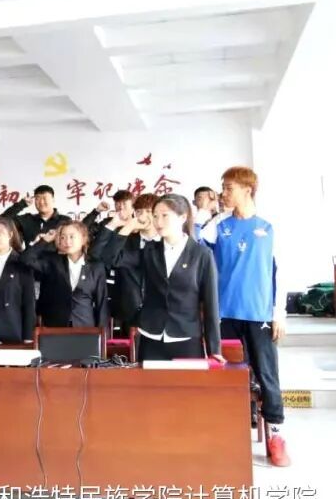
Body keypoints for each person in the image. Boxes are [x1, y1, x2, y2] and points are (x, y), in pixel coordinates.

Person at [201, 166, 290, 467]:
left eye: (229, 188)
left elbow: (282, 271)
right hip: (223, 314)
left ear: (247, 189)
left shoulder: (270, 225)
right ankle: (223, 431)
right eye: (223, 187)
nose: (223, 193)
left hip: (258, 313)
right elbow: (197, 250)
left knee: (267, 375)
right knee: (221, 374)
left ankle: (276, 436)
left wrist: (279, 313)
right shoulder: (218, 225)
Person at [100, 194, 223, 362]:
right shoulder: (150, 251)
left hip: (186, 337)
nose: (158, 222)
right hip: (151, 335)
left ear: (183, 217)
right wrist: (128, 226)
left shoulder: (201, 254)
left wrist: (214, 348)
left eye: (165, 216)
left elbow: (211, 303)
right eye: (155, 216)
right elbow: (110, 258)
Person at [91, 193, 160, 331]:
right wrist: (124, 227)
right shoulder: (124, 239)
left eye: (148, 211)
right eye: (139, 211)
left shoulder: (166, 241)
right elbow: (100, 256)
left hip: (161, 312)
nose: (143, 216)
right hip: (128, 311)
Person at [20, 221, 108, 329]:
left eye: (72, 237)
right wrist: (44, 241)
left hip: (85, 326)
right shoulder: (52, 261)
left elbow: (102, 303)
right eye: (63, 237)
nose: (67, 241)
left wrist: (102, 333)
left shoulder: (96, 266)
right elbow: (25, 259)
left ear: (83, 239)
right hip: (55, 326)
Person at [0, 185, 73, 247]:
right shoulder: (27, 219)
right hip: (29, 259)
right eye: (37, 198)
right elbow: (1, 220)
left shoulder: (64, 220)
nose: (41, 202)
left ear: (53, 200)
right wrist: (22, 204)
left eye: (45, 198)